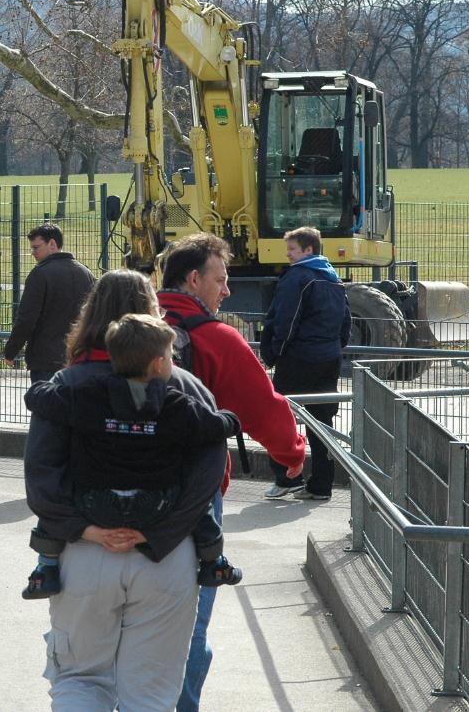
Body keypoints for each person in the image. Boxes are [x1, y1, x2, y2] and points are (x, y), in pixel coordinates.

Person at [24, 269, 228, 709]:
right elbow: (207, 476)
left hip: (84, 551)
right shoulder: (185, 388)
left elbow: (41, 472)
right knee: (151, 694)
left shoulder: (68, 387)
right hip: (166, 556)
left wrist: (84, 529)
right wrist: (160, 533)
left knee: (79, 679)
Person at [156, 232, 308, 712]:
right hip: (195, 498)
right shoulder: (216, 338)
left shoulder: (125, 330)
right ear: (194, 279)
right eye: (220, 280)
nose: (226, 291)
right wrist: (292, 456)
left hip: (112, 495)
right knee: (190, 625)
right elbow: (265, 407)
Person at [21, 313, 242, 601]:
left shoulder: (88, 395)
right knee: (203, 509)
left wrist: (41, 387)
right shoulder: (175, 404)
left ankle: (46, 569)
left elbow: (40, 399)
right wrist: (231, 418)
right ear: (158, 363)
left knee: (59, 494)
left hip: (95, 504)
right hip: (156, 505)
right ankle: (214, 562)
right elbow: (213, 427)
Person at [259, 226, 351, 501]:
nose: (288, 255)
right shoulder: (333, 279)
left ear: (308, 250)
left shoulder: (298, 277)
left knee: (278, 417)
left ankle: (287, 477)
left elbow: (285, 319)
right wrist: (335, 347)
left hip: (298, 358)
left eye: (292, 250)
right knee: (321, 420)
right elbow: (345, 322)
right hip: (329, 358)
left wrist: (274, 352)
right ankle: (322, 484)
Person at [3, 223, 95, 383]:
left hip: (46, 362)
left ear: (52, 244)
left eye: (36, 247)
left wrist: (11, 351)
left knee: (46, 406)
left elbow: (26, 319)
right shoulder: (86, 273)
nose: (33, 253)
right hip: (79, 359)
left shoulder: (40, 274)